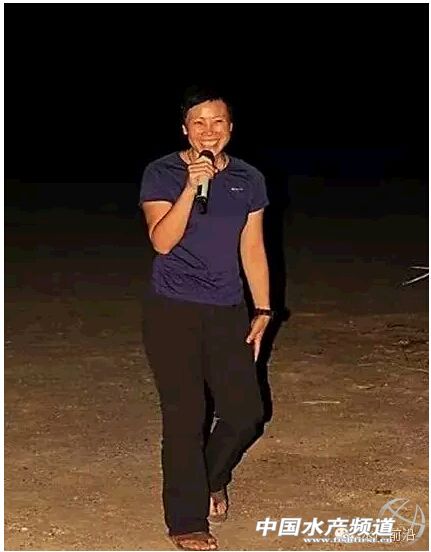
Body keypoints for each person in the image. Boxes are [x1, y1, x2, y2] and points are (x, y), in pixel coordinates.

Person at [139, 85, 273, 551]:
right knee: (186, 416)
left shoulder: (249, 179)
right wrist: (190, 186)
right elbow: (162, 241)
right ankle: (186, 520)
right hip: (171, 309)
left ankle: (213, 476)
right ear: (185, 129)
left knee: (246, 413)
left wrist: (263, 308)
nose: (209, 130)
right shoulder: (161, 173)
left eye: (218, 122)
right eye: (199, 122)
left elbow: (252, 248)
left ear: (230, 128)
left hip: (227, 308)